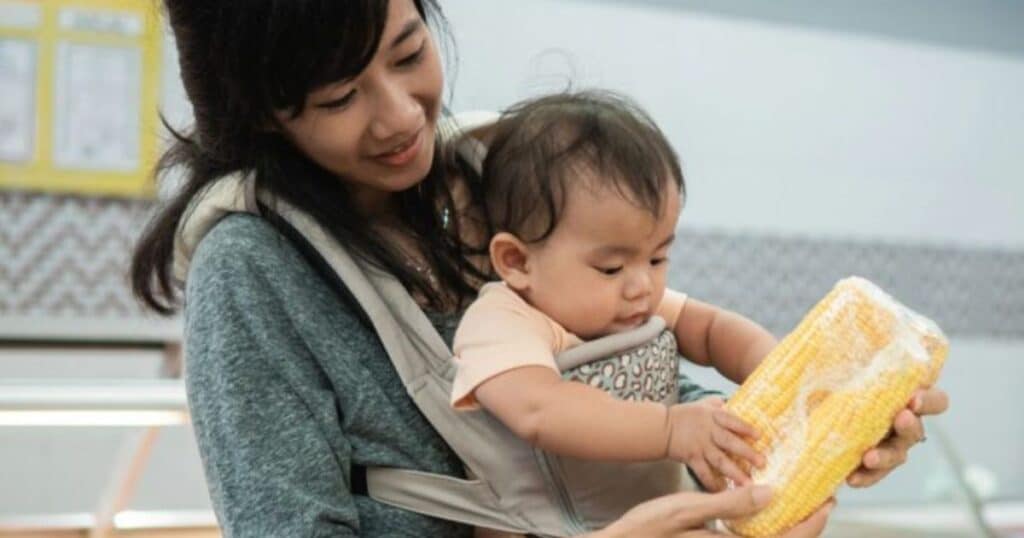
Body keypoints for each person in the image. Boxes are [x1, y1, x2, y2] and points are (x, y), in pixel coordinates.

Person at [130, 0, 950, 536]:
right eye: (340, 98)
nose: (399, 115)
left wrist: (800, 428)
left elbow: (640, 373)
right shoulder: (255, 270)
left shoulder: (494, 178)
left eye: (409, 52)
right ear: (261, 115)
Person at [452, 91, 772, 494]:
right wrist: (671, 429)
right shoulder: (503, 323)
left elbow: (710, 330)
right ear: (517, 261)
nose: (642, 286)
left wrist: (781, 367)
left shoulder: (624, 304)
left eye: (657, 258)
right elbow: (540, 410)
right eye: (611, 268)